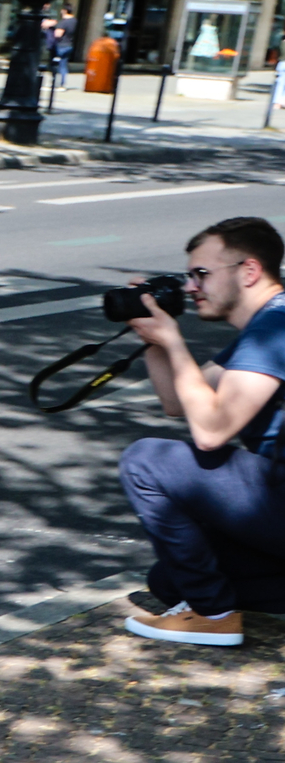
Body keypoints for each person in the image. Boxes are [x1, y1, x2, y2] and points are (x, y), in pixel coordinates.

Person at [118, 216, 285, 647]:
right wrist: (154, 336)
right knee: (170, 578)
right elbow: (178, 402)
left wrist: (175, 343)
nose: (191, 287)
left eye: (201, 275)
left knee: (146, 460)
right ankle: (209, 600)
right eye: (188, 276)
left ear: (249, 271)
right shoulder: (266, 325)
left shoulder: (276, 327)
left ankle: (214, 616)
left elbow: (211, 432)